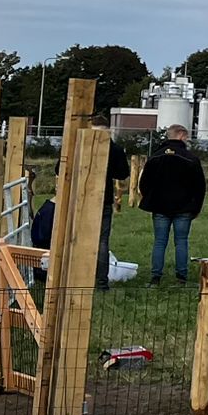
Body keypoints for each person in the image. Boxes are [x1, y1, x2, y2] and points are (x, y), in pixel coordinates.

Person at [138, 124, 206, 284]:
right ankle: (181, 277)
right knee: (181, 241)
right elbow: (200, 186)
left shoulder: (155, 157)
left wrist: (151, 199)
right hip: (184, 208)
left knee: (160, 241)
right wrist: (195, 207)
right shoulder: (191, 159)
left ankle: (155, 277)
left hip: (160, 207)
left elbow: (144, 183)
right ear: (181, 135)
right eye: (186, 136)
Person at [94, 115, 133, 287]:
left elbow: (60, 168)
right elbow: (123, 173)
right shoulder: (115, 149)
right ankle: (102, 281)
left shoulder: (81, 144)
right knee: (102, 241)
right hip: (104, 197)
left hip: (80, 198)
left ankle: (78, 276)